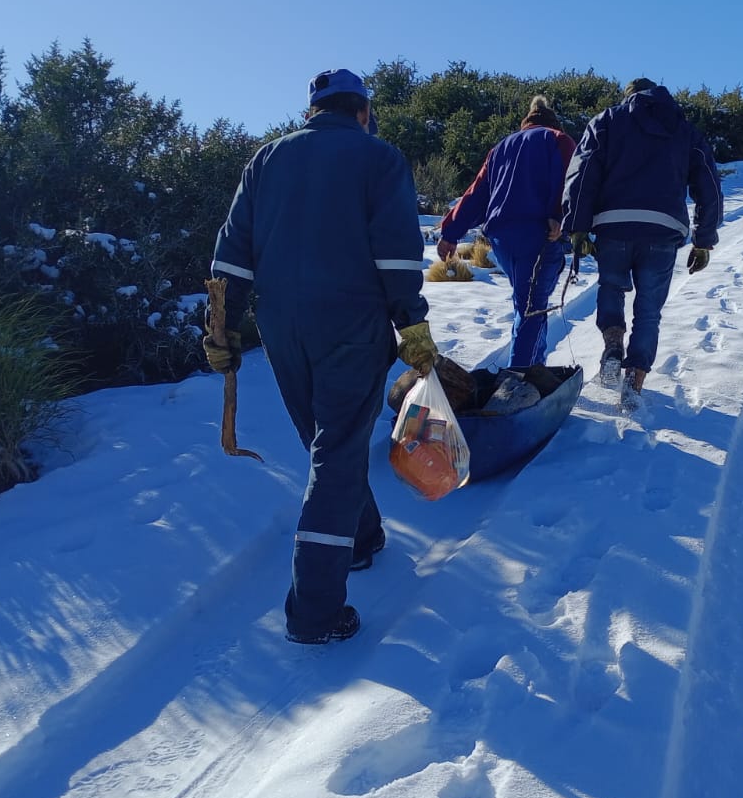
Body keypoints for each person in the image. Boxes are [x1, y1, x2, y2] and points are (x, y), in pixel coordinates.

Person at [204, 68, 438, 645]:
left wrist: (221, 328)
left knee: (329, 439)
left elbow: (231, 255)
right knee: (335, 452)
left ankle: (361, 536)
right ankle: (314, 612)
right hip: (352, 325)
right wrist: (411, 323)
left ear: (311, 112)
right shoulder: (379, 158)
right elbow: (397, 256)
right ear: (363, 111)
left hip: (282, 328)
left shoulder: (266, 159)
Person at [560, 78, 723, 408]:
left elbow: (583, 171)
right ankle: (634, 381)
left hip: (614, 225)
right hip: (663, 229)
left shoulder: (607, 121)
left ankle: (613, 345)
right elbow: (708, 184)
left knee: (611, 287)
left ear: (629, 97)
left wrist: (577, 227)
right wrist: (703, 240)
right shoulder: (684, 130)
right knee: (649, 311)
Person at [437, 95, 576, 367]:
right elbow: (569, 181)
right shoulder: (559, 140)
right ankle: (519, 377)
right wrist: (559, 215)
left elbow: (477, 193)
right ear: (553, 121)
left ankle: (533, 368)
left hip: (501, 238)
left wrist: (450, 232)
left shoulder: (501, 147)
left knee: (526, 304)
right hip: (538, 234)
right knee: (532, 307)